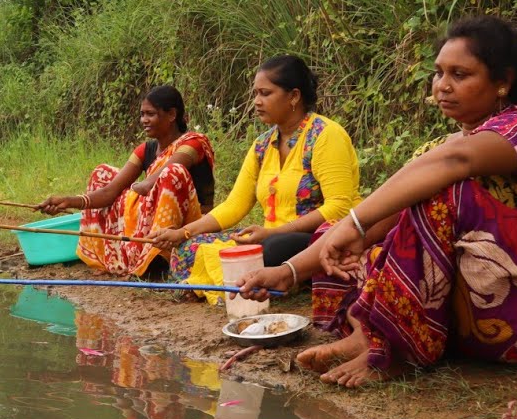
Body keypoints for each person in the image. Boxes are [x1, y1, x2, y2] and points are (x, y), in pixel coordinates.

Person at [237, 16, 517, 387]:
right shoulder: (448, 148)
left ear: (503, 82)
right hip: (473, 318)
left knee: (441, 195)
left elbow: (456, 162)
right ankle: (369, 329)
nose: (443, 86)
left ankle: (397, 350)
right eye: (439, 73)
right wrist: (288, 271)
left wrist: (354, 223)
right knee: (343, 231)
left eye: (460, 74)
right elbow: (382, 214)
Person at [147, 56, 360, 299]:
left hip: (320, 237)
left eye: (266, 93)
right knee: (190, 247)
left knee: (270, 249)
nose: (257, 102)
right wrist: (183, 232)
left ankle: (280, 278)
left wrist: (274, 233)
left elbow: (340, 207)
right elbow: (234, 205)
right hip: (271, 236)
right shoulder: (262, 145)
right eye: (256, 93)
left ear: (294, 96)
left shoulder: (326, 136)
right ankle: (236, 284)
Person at [38, 85, 214, 278]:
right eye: (142, 114)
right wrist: (68, 201)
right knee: (102, 174)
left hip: (193, 224)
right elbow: (108, 192)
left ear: (172, 114)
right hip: (156, 218)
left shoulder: (193, 144)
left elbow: (152, 182)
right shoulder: (146, 149)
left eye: (150, 114)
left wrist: (134, 193)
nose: (144, 120)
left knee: (171, 173)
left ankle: (157, 260)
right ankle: (120, 258)